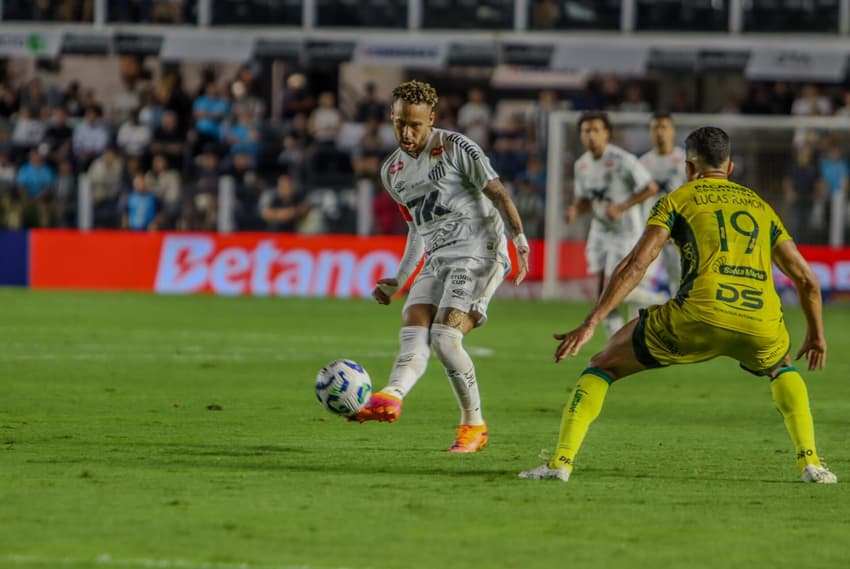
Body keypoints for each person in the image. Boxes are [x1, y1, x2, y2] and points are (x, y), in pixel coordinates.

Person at [519, 126, 837, 484]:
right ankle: (811, 464)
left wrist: (593, 320)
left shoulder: (678, 199)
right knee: (782, 367)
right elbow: (808, 281)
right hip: (759, 321)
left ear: (688, 168)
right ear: (730, 167)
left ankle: (560, 463)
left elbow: (636, 265)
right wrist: (816, 334)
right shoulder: (761, 207)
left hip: (698, 315)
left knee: (602, 365)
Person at [352, 80, 530, 454]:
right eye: (400, 123)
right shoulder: (393, 171)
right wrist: (399, 279)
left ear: (431, 119)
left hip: (481, 251)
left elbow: (498, 192)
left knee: (445, 338)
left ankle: (473, 426)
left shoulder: (456, 147)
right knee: (413, 323)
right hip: (437, 256)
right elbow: (417, 227)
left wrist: (519, 239)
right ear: (391, 117)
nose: (407, 132)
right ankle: (391, 395)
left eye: (415, 124)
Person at [567, 111, 660, 338]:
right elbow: (585, 199)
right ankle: (614, 337)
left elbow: (651, 187)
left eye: (596, 130)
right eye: (586, 131)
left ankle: (656, 298)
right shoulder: (582, 165)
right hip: (600, 229)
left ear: (606, 133)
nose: (591, 135)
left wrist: (622, 206)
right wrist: (575, 209)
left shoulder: (622, 160)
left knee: (614, 285)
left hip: (626, 231)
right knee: (601, 290)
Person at [639, 113, 688, 297]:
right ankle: (639, 323)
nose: (660, 132)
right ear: (650, 133)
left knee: (679, 279)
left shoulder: (685, 161)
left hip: (677, 231)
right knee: (640, 276)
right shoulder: (643, 163)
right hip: (649, 230)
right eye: (655, 128)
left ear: (672, 132)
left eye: (664, 127)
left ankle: (679, 323)